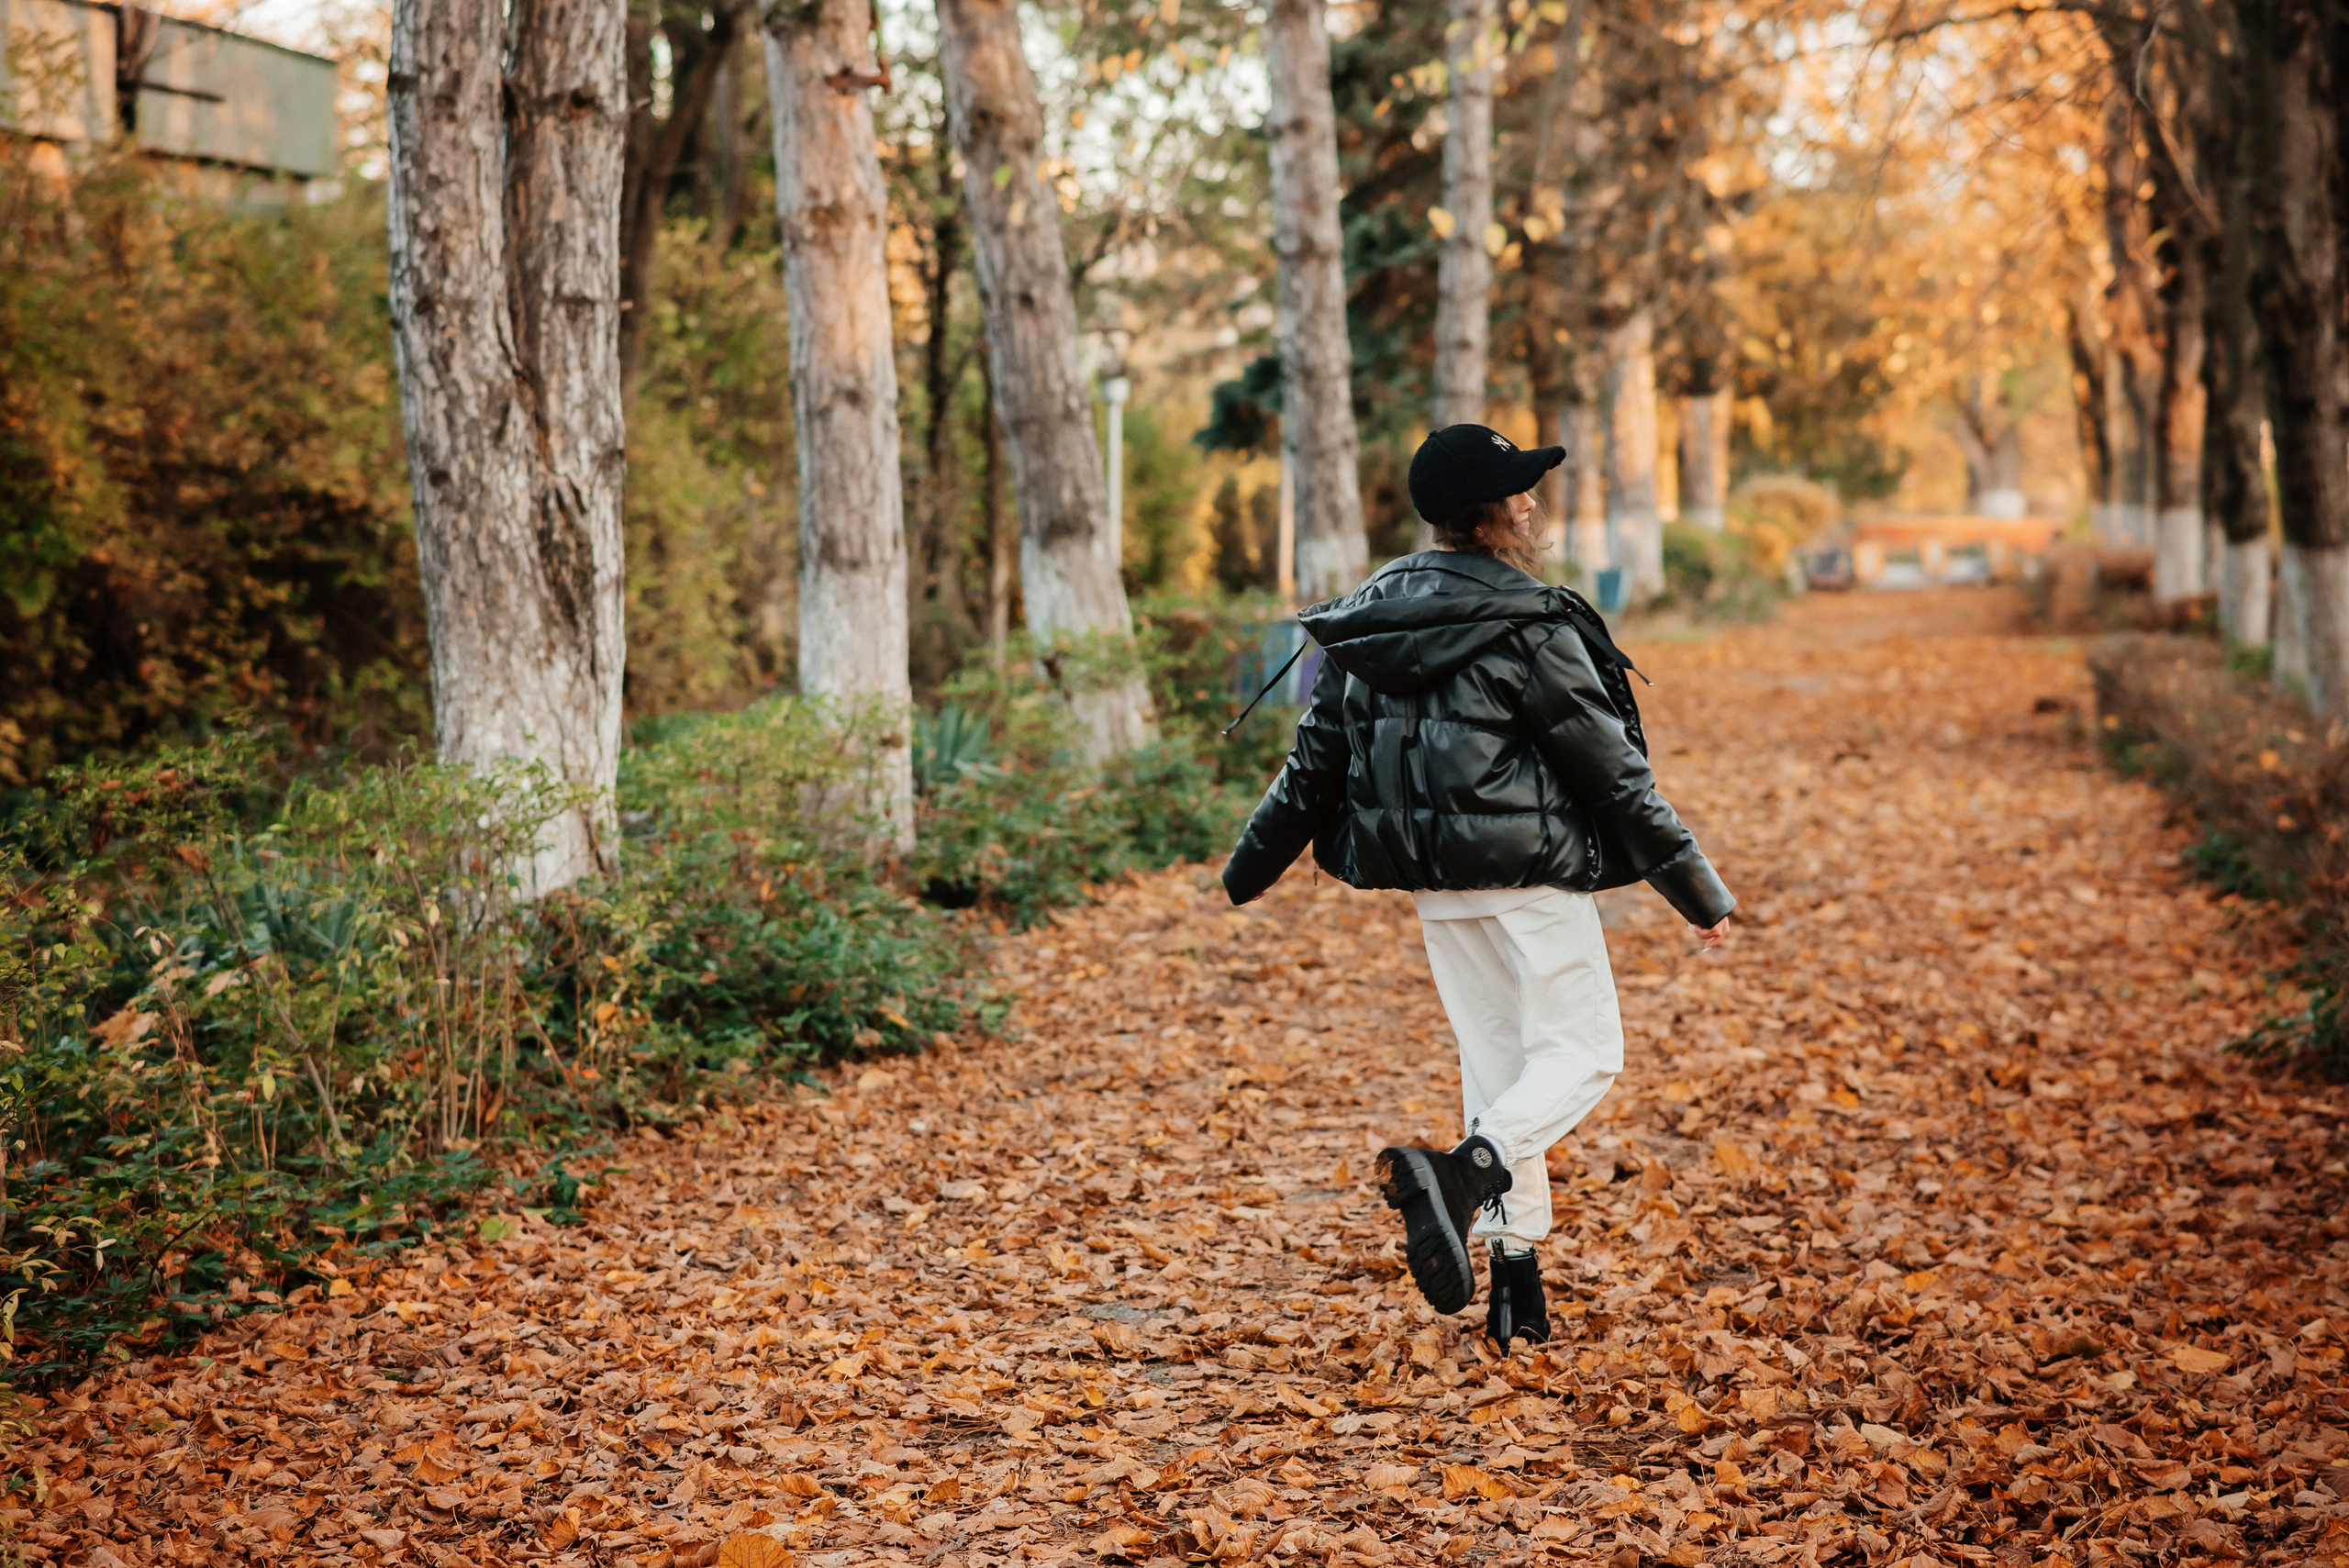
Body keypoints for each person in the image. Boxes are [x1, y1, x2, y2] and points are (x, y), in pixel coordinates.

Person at [1220, 423, 1734, 1347]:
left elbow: (1310, 769)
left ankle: (1515, 1293)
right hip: (1528, 875)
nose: (1531, 501)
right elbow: (1609, 771)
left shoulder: (1368, 619)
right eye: (1519, 490)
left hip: (1434, 888)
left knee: (1500, 1069)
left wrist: (1242, 870)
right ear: (1488, 515)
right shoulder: (1529, 621)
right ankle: (1468, 1172)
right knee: (1581, 1054)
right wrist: (1698, 890)